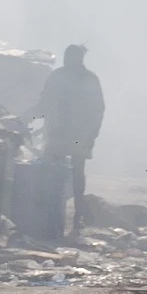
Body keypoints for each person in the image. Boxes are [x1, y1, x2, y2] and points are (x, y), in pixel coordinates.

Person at [33, 44, 105, 226]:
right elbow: (98, 109)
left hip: (67, 134)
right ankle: (71, 215)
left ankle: (62, 214)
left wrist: (92, 134)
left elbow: (44, 102)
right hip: (72, 135)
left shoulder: (60, 76)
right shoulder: (88, 78)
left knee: (57, 172)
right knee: (74, 174)